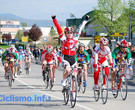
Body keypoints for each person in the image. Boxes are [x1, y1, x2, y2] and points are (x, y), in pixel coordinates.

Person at [52, 14, 89, 100]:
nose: (70, 34)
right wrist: (54, 19)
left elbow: (80, 28)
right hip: (65, 58)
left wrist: (85, 20)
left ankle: (73, 93)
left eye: (71, 33)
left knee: (74, 77)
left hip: (73, 58)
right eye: (68, 33)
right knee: (68, 70)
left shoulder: (75, 38)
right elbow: (58, 28)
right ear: (65, 33)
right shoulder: (63, 38)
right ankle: (63, 80)